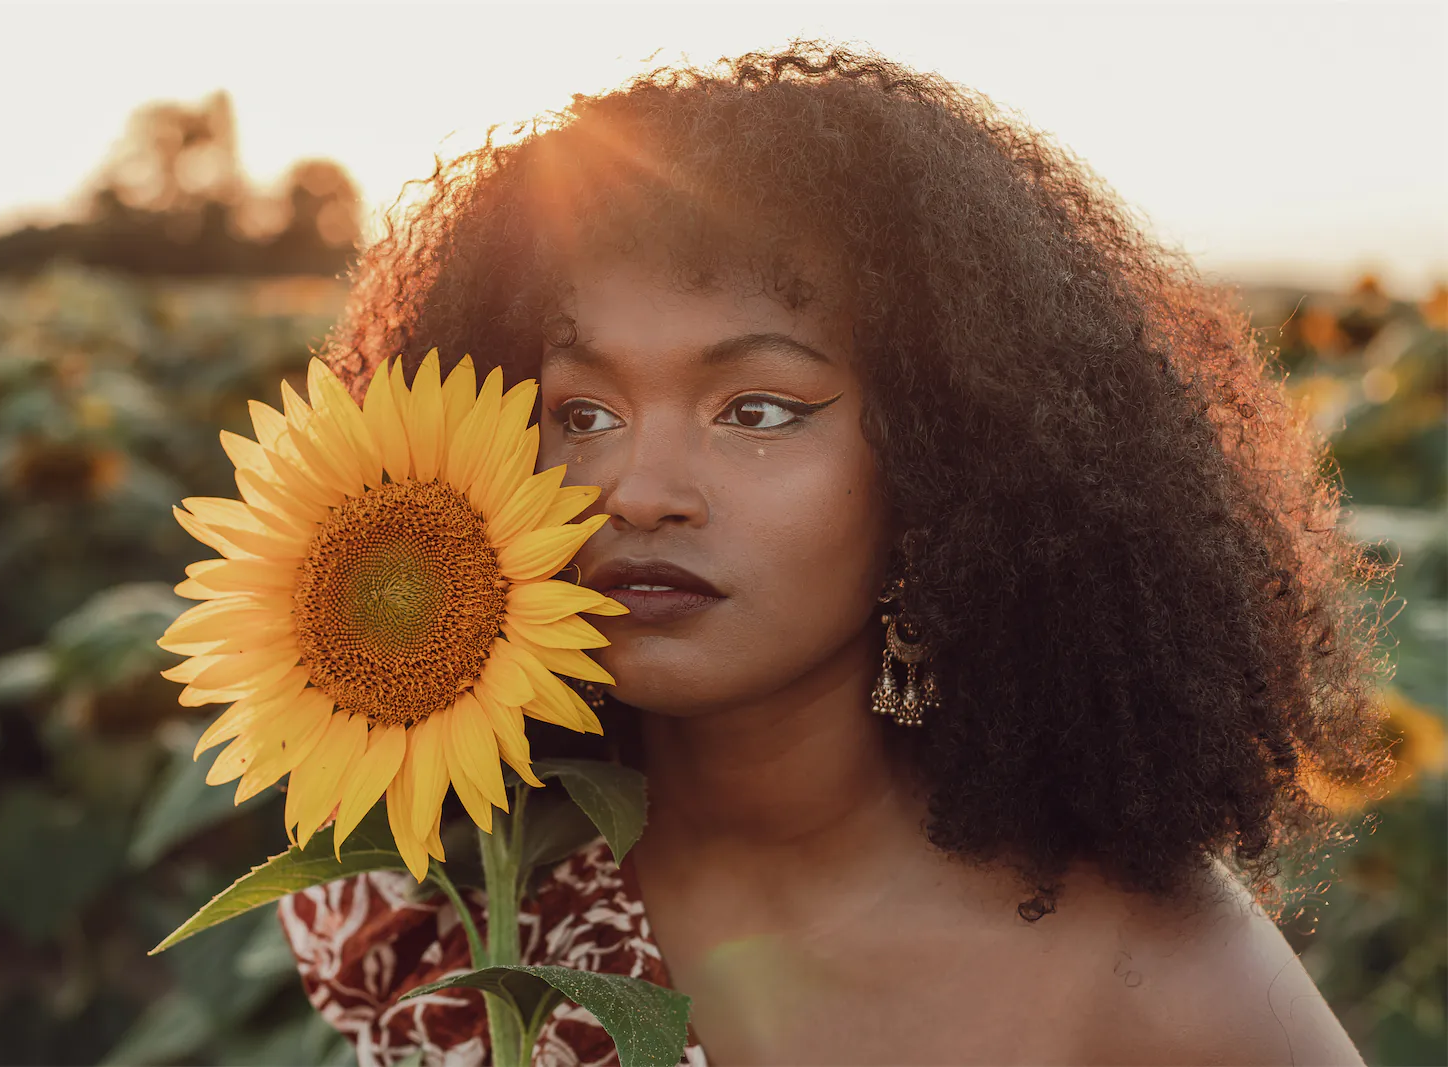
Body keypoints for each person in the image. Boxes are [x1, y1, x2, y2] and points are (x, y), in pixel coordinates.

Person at [278, 43, 1390, 1066]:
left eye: (757, 410)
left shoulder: (1151, 973)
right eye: (583, 413)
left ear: (948, 461)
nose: (641, 491)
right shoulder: (451, 897)